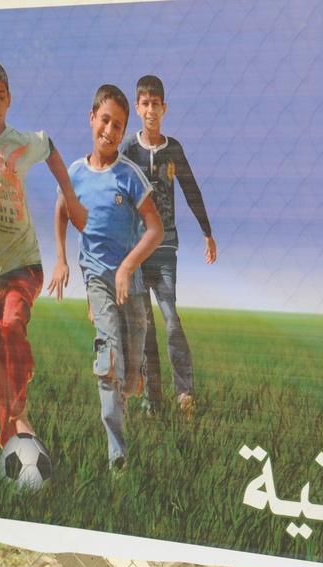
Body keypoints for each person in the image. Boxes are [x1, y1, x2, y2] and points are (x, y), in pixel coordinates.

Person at [0, 59, 87, 448]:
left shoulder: (22, 141)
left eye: (0, 96)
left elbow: (50, 147)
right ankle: (8, 439)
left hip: (25, 263)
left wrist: (73, 201)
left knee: (13, 325)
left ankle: (20, 412)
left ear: (9, 100)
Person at [47, 84, 163, 470]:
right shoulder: (76, 174)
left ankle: (135, 377)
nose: (110, 131)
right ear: (91, 118)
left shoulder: (129, 177)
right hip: (97, 278)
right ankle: (118, 452)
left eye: (118, 125)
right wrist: (62, 258)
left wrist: (129, 266)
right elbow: (63, 210)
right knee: (108, 362)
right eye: (105, 120)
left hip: (129, 283)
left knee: (128, 377)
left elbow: (155, 230)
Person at [120, 75, 215, 418]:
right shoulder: (128, 149)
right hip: (136, 250)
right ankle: (152, 399)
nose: (150, 109)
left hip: (164, 251)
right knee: (143, 325)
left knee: (171, 319)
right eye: (144, 103)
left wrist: (207, 231)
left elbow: (190, 189)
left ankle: (185, 393)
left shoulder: (173, 149)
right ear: (137, 108)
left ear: (164, 108)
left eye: (155, 104)